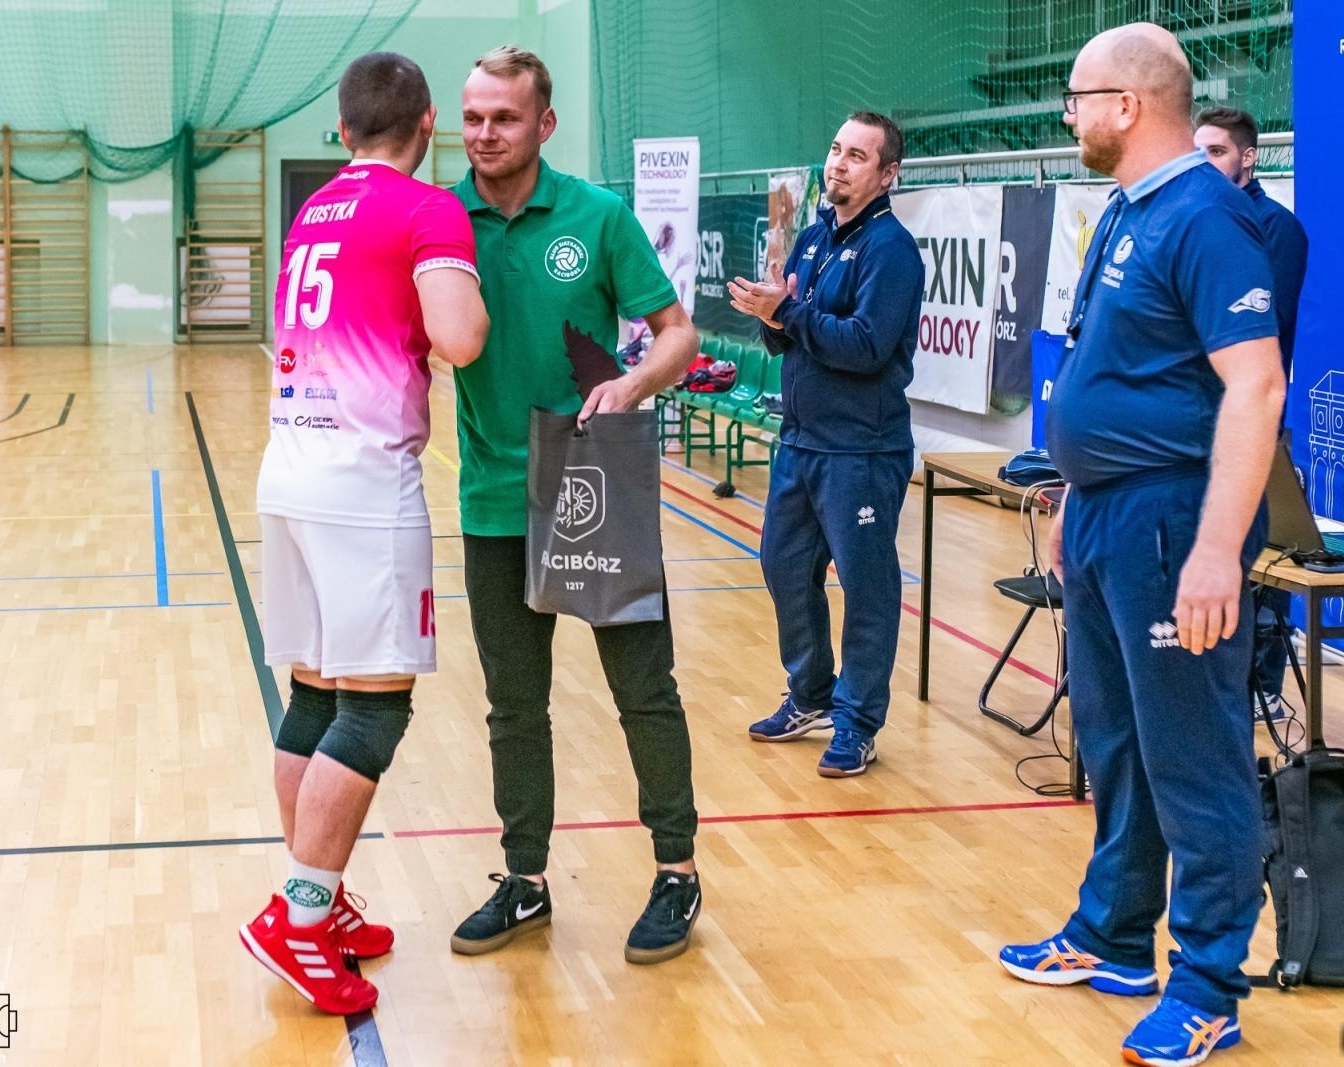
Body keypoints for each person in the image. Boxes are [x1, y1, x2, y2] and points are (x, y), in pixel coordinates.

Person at [996, 24, 1285, 1067]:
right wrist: (1080, 487)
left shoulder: (1206, 220)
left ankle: (1208, 982)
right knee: (1114, 741)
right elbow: (1120, 378)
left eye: (1075, 98)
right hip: (1112, 511)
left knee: (1192, 754)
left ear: (1125, 104)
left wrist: (1216, 548)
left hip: (1176, 523)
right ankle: (1114, 934)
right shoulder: (1128, 210)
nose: (1066, 116)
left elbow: (1255, 385)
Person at [240, 52, 488, 1015]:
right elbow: (460, 337)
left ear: (341, 131)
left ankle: (325, 898)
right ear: (430, 123)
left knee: (313, 688)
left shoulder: (315, 210)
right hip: (362, 480)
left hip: (288, 469)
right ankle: (298, 917)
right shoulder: (426, 208)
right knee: (375, 706)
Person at [446, 46, 704, 965]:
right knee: (514, 707)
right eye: (472, 117)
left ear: (543, 125)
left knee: (645, 692)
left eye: (503, 118)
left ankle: (676, 871)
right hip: (491, 500)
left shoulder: (597, 216)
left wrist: (631, 387)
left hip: (593, 488)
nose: (483, 134)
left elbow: (678, 335)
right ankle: (524, 881)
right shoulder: (442, 222)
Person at [727, 112, 922, 778]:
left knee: (867, 588)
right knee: (783, 565)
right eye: (836, 149)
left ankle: (858, 719)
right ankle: (810, 692)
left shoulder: (891, 251)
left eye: (857, 156)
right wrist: (769, 315)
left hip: (862, 452)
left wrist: (789, 314)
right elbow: (793, 336)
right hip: (802, 442)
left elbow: (866, 346)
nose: (838, 163)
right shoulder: (812, 239)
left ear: (887, 174)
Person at [1195, 105, 1310, 724]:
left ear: (1248, 158)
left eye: (1216, 152)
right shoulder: (1197, 220)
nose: (1206, 164)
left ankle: (1261, 681)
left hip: (1249, 421)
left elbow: (1267, 332)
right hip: (1189, 427)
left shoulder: (1278, 230)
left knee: (1258, 565)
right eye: (1198, 152)